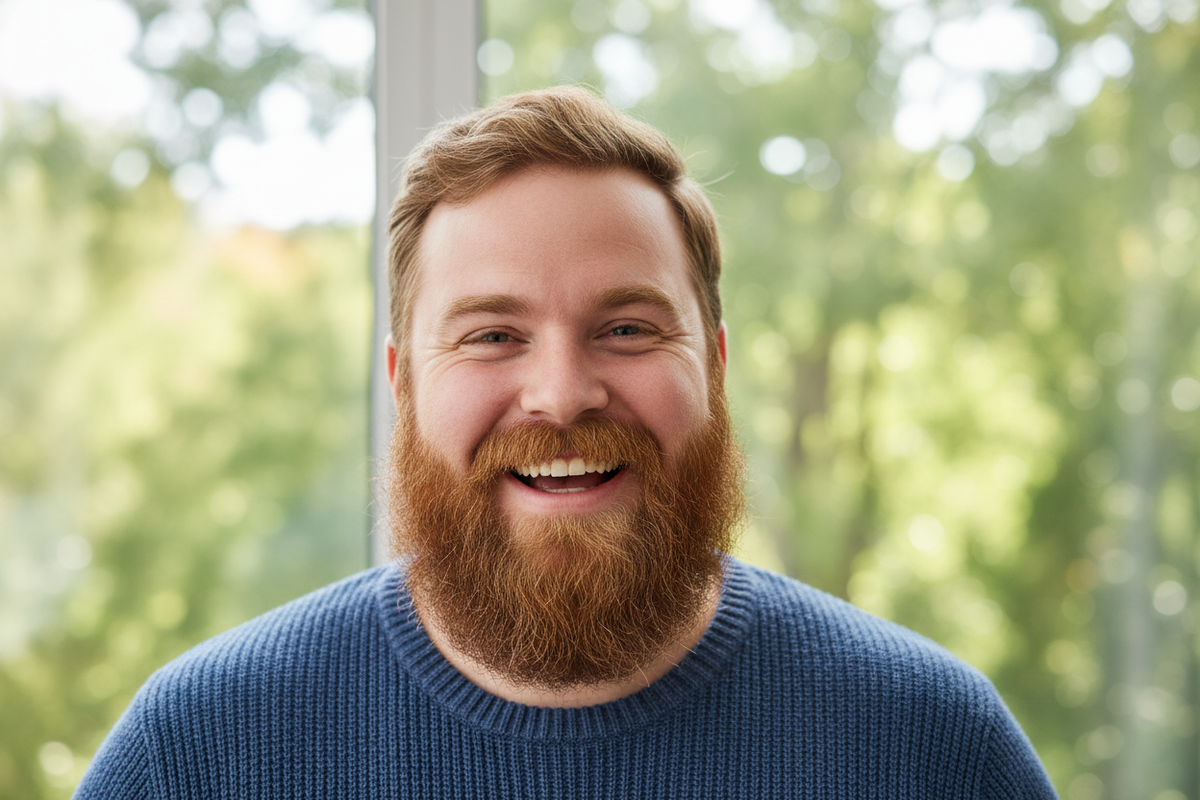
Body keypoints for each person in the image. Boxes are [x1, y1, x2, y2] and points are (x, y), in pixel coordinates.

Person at [75, 86, 1058, 798]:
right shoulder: (197, 751)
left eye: (627, 328)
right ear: (403, 382)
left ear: (713, 366)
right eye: (493, 335)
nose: (559, 393)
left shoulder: (933, 746)